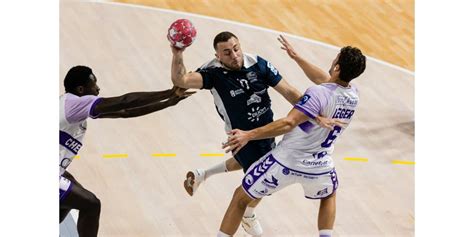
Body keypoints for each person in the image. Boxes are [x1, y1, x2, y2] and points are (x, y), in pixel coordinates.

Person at [170, 31, 340, 236]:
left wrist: (314, 114)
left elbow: (289, 92)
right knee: (260, 185)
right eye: (226, 52)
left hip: (266, 131)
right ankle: (248, 215)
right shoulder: (212, 73)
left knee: (256, 168)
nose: (234, 55)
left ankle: (202, 174)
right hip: (241, 136)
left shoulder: (258, 64)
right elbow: (181, 80)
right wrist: (178, 53)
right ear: (218, 56)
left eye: (236, 49)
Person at [217, 38, 366, 237]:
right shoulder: (353, 95)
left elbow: (288, 123)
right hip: (320, 164)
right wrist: (297, 58)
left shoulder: (317, 94)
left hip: (286, 161)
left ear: (336, 66)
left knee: (240, 198)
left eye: (335, 60)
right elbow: (326, 79)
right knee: (329, 194)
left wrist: (248, 135)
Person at [59, 65, 193, 237]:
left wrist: (168, 102)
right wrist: (168, 93)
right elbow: (124, 101)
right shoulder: (75, 105)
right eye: (94, 85)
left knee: (71, 198)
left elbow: (124, 112)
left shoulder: (71, 105)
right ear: (81, 89)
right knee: (91, 204)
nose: (98, 88)